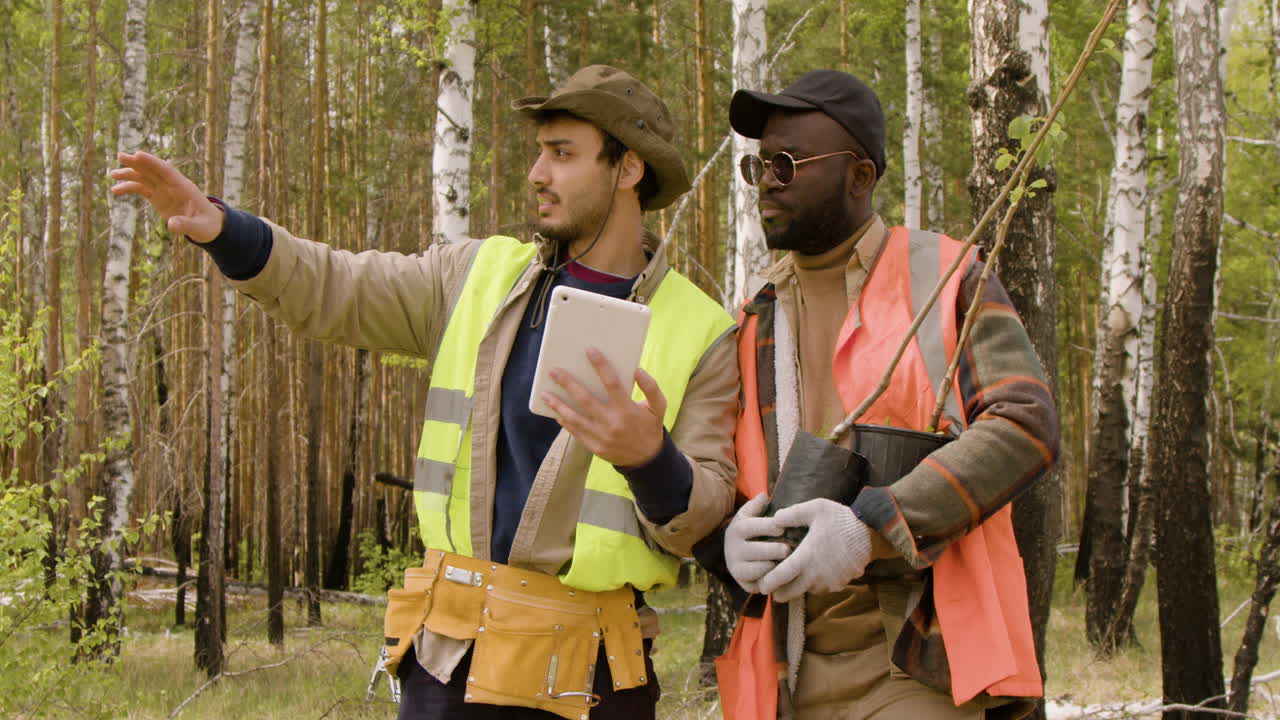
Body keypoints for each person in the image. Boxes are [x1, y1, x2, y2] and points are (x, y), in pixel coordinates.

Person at [112, 65, 738, 720]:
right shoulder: (475, 275)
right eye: (538, 152)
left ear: (628, 168)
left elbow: (705, 518)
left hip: (597, 678)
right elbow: (337, 288)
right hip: (450, 665)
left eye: (561, 154)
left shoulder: (702, 331)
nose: (536, 174)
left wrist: (650, 459)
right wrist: (224, 229)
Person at [713, 70, 1060, 720]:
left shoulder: (945, 276)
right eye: (757, 165)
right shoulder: (752, 320)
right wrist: (727, 538)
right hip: (785, 671)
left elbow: (1025, 423)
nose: (767, 182)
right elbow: (730, 479)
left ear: (860, 176)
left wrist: (871, 527)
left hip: (918, 661)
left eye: (786, 163)